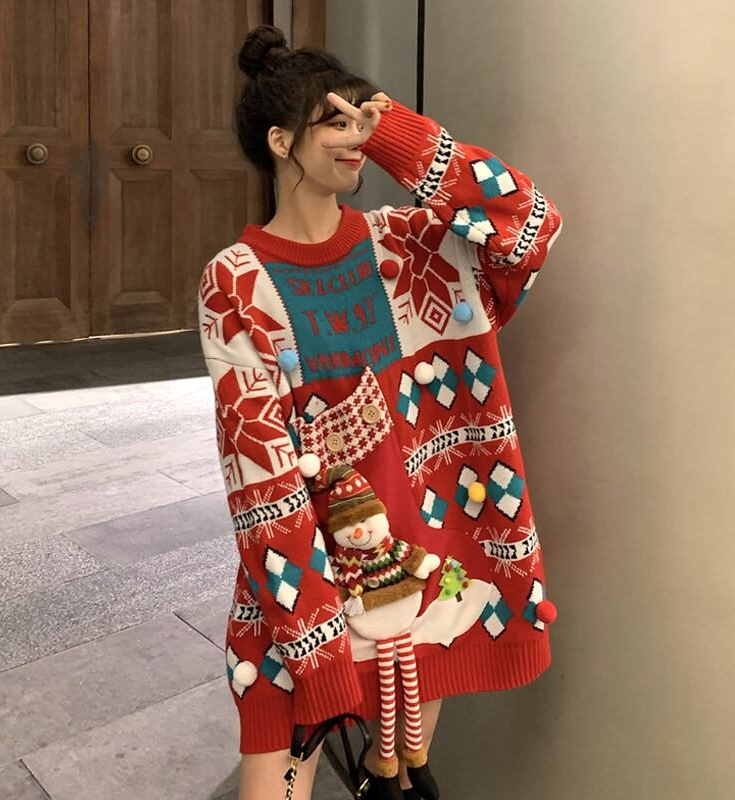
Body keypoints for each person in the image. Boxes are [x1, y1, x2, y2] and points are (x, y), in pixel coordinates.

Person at [198, 23, 564, 800]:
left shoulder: (414, 245)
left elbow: (529, 222)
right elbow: (258, 475)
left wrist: (399, 135)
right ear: (280, 141)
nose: (356, 135)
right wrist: (317, 650)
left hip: (429, 571)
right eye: (333, 121)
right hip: (307, 593)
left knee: (392, 779)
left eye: (361, 115)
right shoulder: (236, 281)